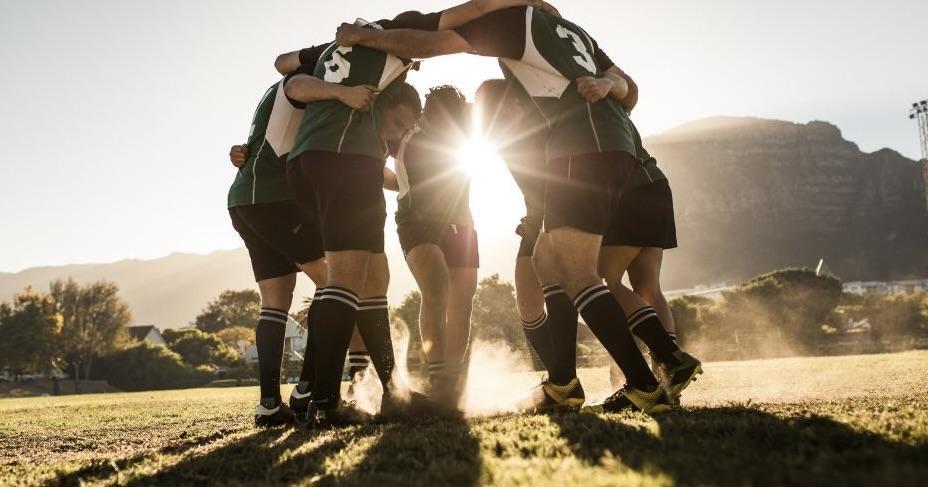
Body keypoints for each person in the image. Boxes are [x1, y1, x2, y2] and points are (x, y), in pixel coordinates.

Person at [336, 4, 701, 414]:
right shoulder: (571, 31)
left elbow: (434, 41)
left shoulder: (516, 20)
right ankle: (565, 382)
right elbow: (630, 90)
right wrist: (604, 88)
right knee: (550, 259)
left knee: (576, 270)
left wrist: (369, 38)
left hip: (578, 144)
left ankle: (651, 378)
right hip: (619, 145)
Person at [226, 43, 330, 427]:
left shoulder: (278, 88)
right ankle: (306, 388)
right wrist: (345, 93)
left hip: (246, 200)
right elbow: (295, 83)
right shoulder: (302, 82)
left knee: (275, 301)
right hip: (271, 199)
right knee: (333, 283)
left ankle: (269, 405)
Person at [394, 85, 479, 412]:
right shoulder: (408, 137)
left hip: (462, 224)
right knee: (437, 288)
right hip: (417, 221)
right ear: (425, 115)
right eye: (432, 115)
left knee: (463, 300)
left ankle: (454, 378)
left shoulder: (464, 138)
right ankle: (440, 378)